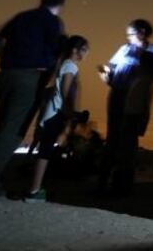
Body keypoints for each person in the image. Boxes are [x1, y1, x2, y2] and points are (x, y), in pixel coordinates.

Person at [0, 0, 65, 199]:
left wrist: (2, 58)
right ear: (60, 5)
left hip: (6, 75)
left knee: (1, 128)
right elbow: (55, 51)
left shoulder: (22, 16)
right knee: (13, 132)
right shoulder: (51, 21)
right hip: (29, 77)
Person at [97, 18, 153, 196]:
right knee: (112, 140)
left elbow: (151, 79)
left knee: (127, 144)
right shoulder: (124, 49)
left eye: (131, 34)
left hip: (134, 101)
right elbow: (110, 70)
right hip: (117, 98)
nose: (128, 38)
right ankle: (102, 183)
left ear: (142, 32)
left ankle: (122, 186)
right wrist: (105, 73)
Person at [25, 35, 89, 203]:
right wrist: (70, 114)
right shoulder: (70, 65)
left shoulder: (65, 64)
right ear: (74, 50)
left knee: (46, 151)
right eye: (84, 49)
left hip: (53, 113)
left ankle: (35, 188)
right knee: (46, 151)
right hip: (57, 113)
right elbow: (65, 91)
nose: (86, 53)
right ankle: (34, 190)